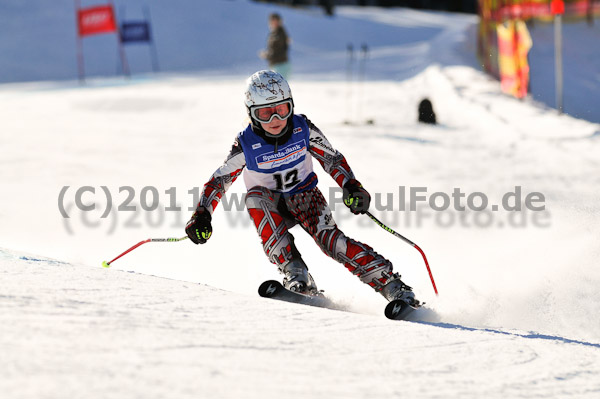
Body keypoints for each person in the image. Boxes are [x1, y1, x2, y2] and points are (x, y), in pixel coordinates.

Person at [185, 70, 417, 306]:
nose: (274, 120)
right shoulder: (246, 143)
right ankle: (296, 274)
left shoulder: (302, 129)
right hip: (269, 203)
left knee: (331, 241)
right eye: (264, 113)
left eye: (282, 110)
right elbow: (219, 181)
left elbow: (332, 160)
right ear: (251, 115)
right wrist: (202, 214)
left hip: (305, 197)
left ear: (291, 106)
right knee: (255, 198)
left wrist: (351, 185)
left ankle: (392, 285)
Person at [259, 13, 291, 80]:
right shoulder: (274, 33)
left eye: (276, 20)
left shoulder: (280, 33)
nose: (274, 22)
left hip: (281, 65)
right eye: (272, 20)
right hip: (275, 65)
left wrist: (266, 55)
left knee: (278, 89)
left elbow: (276, 50)